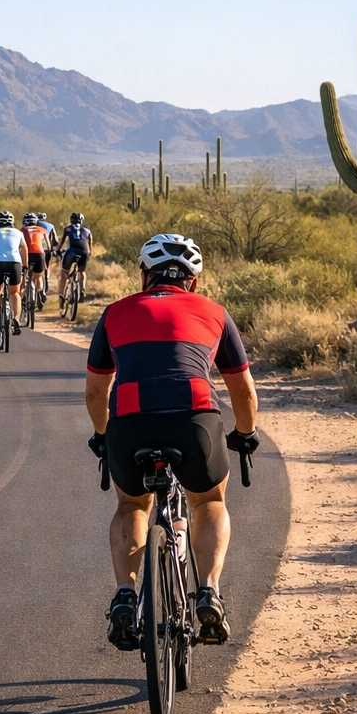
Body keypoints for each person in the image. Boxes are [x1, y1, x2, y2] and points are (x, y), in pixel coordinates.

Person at [83, 233, 258, 649]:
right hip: (194, 420)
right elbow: (243, 393)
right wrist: (245, 434)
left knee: (131, 505)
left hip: (131, 420)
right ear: (194, 281)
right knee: (209, 502)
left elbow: (95, 393)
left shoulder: (114, 313)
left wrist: (103, 436)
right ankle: (209, 590)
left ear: (143, 275)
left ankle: (126, 595)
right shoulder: (215, 313)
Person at [0, 211, 27, 335]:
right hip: (14, 263)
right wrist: (24, 266)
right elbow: (24, 248)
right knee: (14, 292)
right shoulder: (19, 233)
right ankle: (16, 320)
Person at [59, 212, 93, 298]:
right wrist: (89, 253)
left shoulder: (67, 229)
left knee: (64, 272)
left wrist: (57, 250)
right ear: (81, 221)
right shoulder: (87, 230)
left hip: (72, 251)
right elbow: (90, 244)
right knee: (82, 272)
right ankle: (82, 290)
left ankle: (61, 295)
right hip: (84, 251)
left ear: (71, 220)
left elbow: (61, 243)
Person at [21, 213, 52, 308]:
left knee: (23, 276)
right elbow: (48, 246)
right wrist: (45, 251)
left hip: (26, 255)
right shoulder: (43, 230)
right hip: (39, 254)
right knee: (38, 277)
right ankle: (40, 291)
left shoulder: (21, 230)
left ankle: (23, 296)